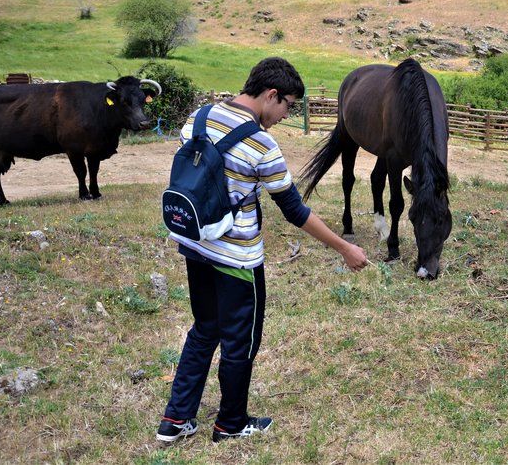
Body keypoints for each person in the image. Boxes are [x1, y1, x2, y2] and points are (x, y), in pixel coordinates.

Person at [156, 57, 368, 444]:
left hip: (194, 243)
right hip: (237, 258)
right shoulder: (261, 144)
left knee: (204, 330)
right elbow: (294, 211)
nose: (287, 114)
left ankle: (175, 420)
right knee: (240, 342)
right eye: (288, 105)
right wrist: (344, 248)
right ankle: (230, 424)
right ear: (272, 95)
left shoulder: (198, 118)